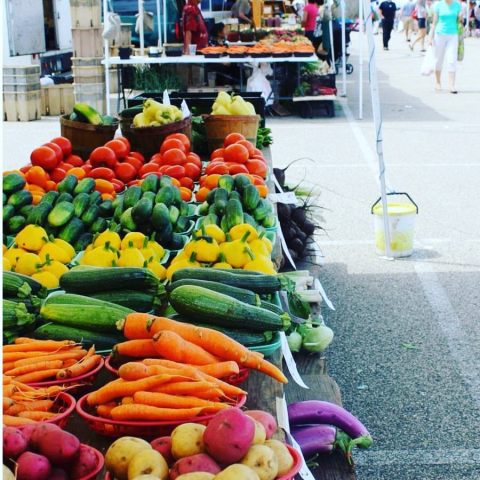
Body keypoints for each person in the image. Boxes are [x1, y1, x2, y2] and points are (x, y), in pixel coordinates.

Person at [429, 0, 462, 93]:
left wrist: (461, 17)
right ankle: (437, 82)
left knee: (452, 59)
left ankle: (451, 85)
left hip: (453, 35)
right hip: (439, 34)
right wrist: (431, 35)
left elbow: (459, 20)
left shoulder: (457, 5)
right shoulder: (438, 5)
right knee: (438, 59)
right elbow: (434, 22)